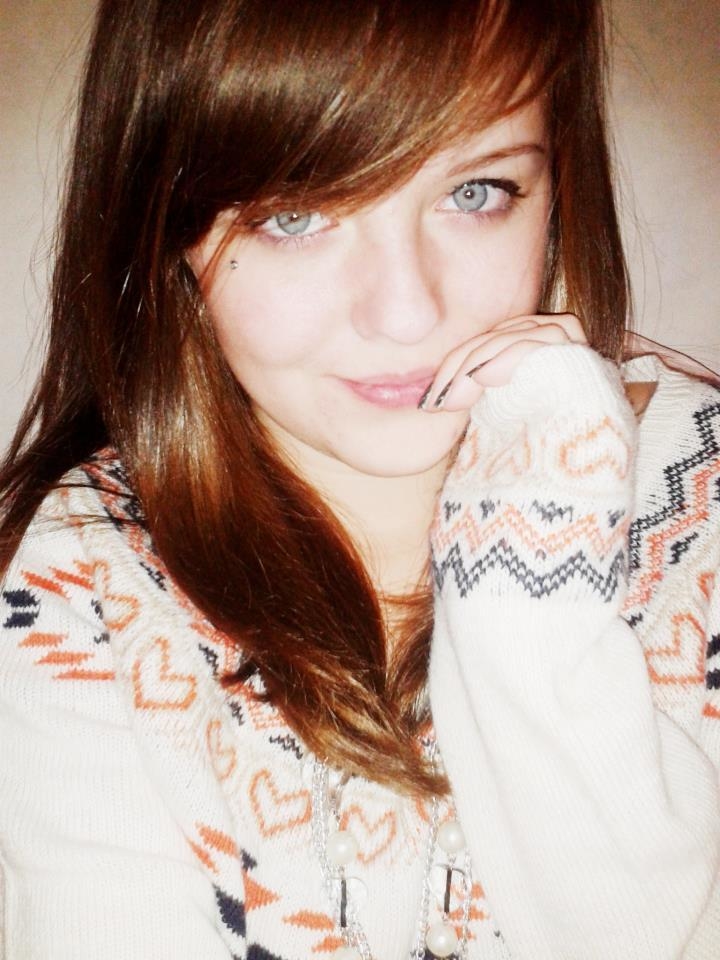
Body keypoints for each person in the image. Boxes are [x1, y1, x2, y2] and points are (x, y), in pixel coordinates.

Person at [0, 0, 718, 957]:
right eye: (297, 217)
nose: (407, 312)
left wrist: (529, 586)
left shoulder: (702, 501)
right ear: (167, 228)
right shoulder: (80, 580)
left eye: (476, 193)